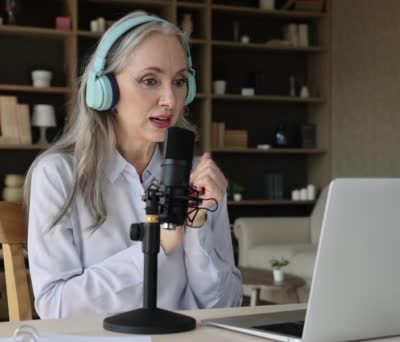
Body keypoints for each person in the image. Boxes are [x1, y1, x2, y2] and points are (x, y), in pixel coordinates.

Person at [24, 11, 242, 319]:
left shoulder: (200, 179)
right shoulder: (58, 175)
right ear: (106, 91)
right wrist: (159, 245)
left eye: (179, 81)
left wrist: (196, 226)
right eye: (150, 80)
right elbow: (56, 308)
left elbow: (225, 308)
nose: (170, 99)